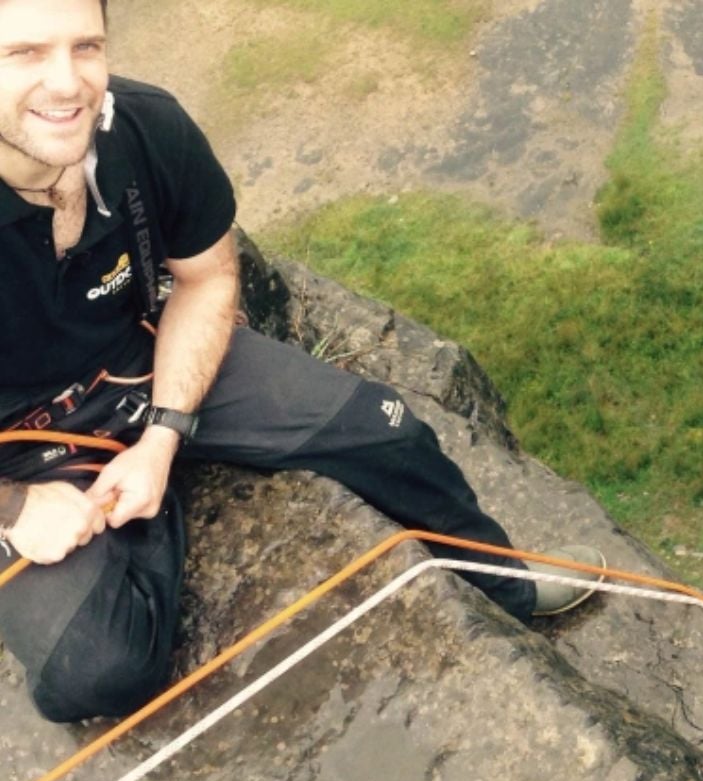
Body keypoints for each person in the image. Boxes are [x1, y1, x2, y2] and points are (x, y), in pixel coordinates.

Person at [0, 0, 603, 723]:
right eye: (25, 54)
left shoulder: (143, 129)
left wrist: (162, 436)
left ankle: (504, 585)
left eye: (86, 47)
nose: (68, 83)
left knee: (384, 430)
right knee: (94, 673)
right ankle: (140, 519)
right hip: (17, 455)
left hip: (138, 362)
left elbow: (208, 279)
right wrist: (15, 509)